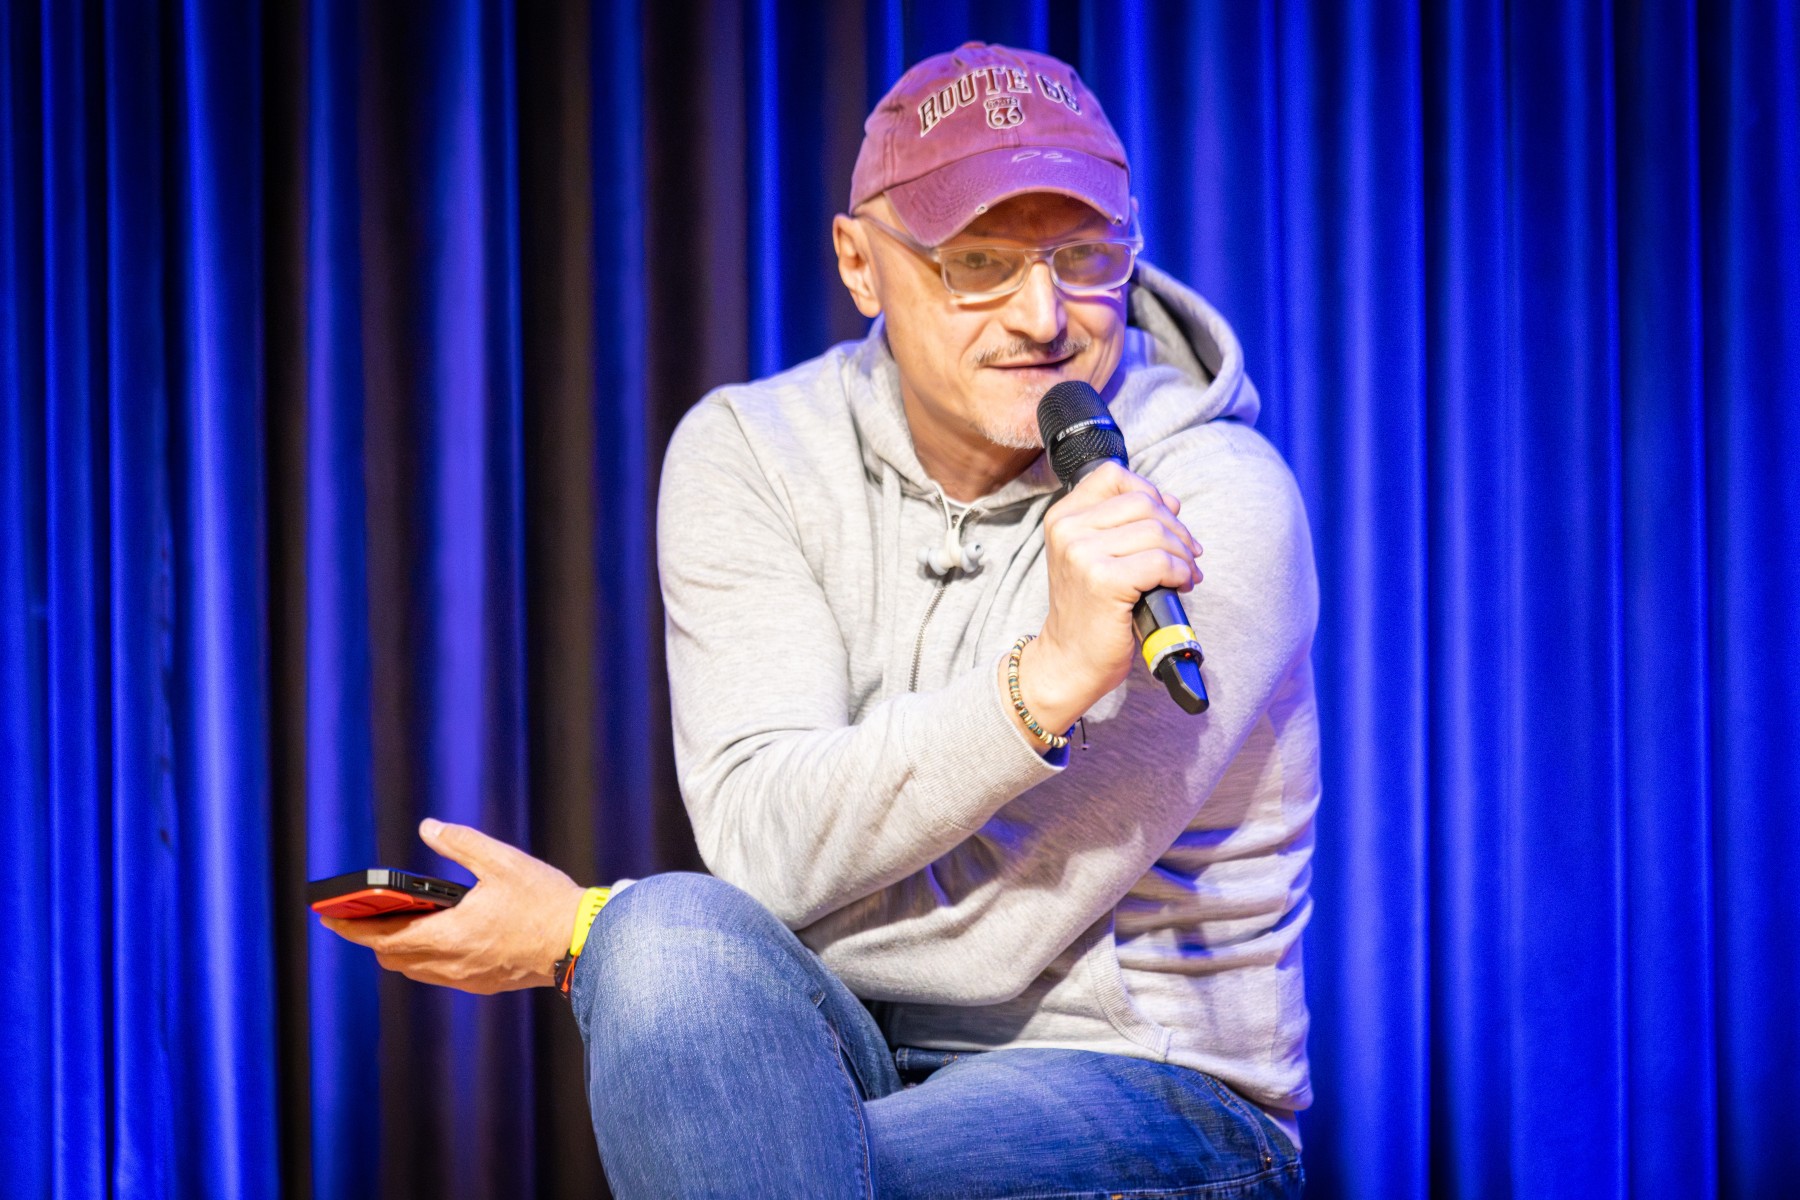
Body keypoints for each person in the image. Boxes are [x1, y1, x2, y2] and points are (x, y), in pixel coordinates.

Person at [325, 42, 1318, 1198]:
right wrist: (1042, 680)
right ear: (860, 262)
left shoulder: (1207, 503)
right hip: (843, 1048)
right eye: (978, 264)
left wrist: (581, 929)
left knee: (714, 1068)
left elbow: (992, 929)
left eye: (1086, 257)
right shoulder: (753, 452)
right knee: (670, 949)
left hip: (1152, 1086)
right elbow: (766, 847)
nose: (1043, 314)